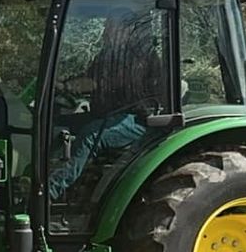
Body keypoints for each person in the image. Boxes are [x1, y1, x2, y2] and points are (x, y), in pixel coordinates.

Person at [44, 12, 164, 200]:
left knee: (90, 135)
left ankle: (50, 191)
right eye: (106, 26)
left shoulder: (141, 57)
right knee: (55, 123)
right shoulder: (107, 55)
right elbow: (90, 77)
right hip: (107, 115)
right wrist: (63, 85)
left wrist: (70, 85)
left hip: (139, 120)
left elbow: (98, 82)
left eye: (110, 27)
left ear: (125, 30)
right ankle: (38, 177)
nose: (105, 32)